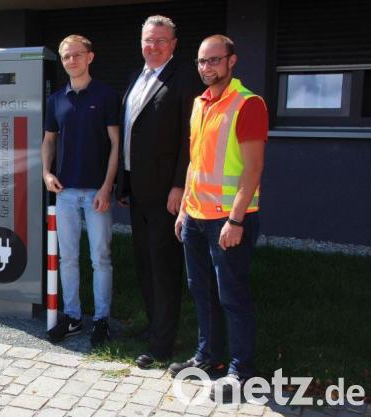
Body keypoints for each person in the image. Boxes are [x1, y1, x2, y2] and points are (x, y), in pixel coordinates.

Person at [170, 35, 268, 401]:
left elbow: (253, 170)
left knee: (233, 297)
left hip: (229, 220)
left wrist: (236, 221)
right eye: (201, 62)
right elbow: (197, 163)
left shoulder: (248, 104)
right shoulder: (201, 103)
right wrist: (184, 211)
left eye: (214, 61)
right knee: (202, 292)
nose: (206, 68)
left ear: (232, 61)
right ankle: (208, 356)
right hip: (195, 216)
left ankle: (242, 373)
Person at [115, 15, 204, 369]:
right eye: (148, 40)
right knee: (144, 262)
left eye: (160, 41)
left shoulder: (184, 79)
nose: (153, 46)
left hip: (166, 191)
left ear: (174, 44)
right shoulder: (135, 77)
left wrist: (180, 186)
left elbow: (191, 138)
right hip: (137, 189)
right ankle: (155, 326)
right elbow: (129, 133)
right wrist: (123, 183)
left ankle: (163, 343)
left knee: (163, 265)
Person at [41, 34, 121, 348]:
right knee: (68, 258)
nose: (71, 61)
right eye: (65, 57)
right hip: (65, 191)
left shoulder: (106, 96)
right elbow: (49, 140)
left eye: (77, 55)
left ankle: (101, 320)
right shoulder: (56, 99)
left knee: (100, 258)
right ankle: (73, 317)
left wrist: (107, 186)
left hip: (96, 193)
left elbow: (116, 144)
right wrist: (47, 173)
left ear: (90, 57)